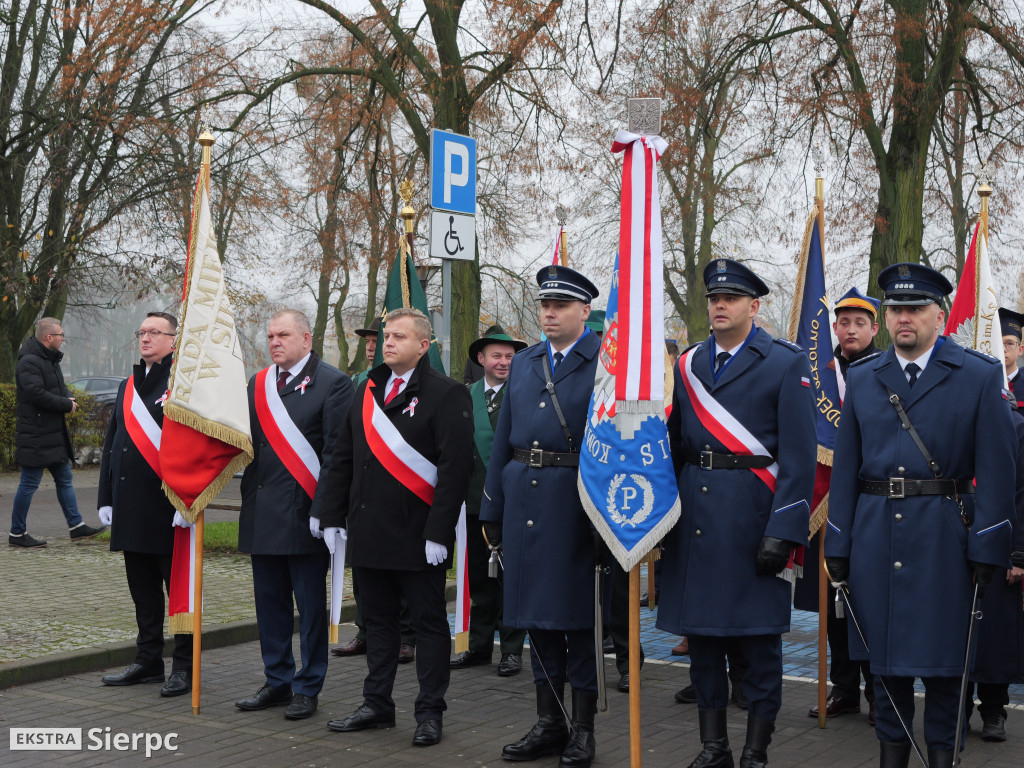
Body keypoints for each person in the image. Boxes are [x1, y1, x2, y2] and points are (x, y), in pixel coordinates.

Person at [825, 263, 1015, 768]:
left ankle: (941, 757)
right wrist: (837, 544)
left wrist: (990, 545)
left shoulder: (977, 374)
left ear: (941, 315)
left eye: (915, 309)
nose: (904, 318)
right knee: (884, 671)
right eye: (896, 310)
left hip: (945, 540)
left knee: (947, 670)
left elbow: (997, 470)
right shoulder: (865, 377)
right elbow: (845, 470)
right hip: (874, 537)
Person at [658, 258, 817, 768]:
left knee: (759, 647)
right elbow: (676, 444)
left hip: (755, 521)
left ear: (754, 305)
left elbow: (799, 457)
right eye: (713, 298)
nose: (719, 306)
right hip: (698, 521)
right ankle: (714, 748)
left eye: (730, 298)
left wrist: (785, 530)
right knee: (702, 644)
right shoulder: (688, 364)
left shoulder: (785, 362)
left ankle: (755, 751)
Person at [316, 307, 473, 748]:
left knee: (427, 626)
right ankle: (377, 704)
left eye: (400, 337)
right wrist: (331, 516)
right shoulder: (365, 389)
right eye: (387, 335)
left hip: (419, 538)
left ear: (423, 346)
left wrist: (439, 533)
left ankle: (429, 712)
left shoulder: (447, 393)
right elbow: (341, 456)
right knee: (378, 625)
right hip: (368, 532)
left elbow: (455, 469)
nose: (388, 342)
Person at [480, 264, 603, 768]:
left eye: (561, 306)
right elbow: (505, 437)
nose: (549, 313)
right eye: (544, 306)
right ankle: (549, 722)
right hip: (524, 499)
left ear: (585, 312)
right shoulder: (528, 362)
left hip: (577, 501)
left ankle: (584, 729)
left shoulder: (605, 362)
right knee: (536, 619)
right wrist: (492, 503)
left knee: (577, 621)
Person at [234, 309, 354, 721]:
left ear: (306, 338)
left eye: (283, 335)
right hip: (263, 510)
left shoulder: (333, 383)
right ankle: (277, 680)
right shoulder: (259, 383)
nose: (274, 342)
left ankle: (308, 685)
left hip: (305, 514)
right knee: (269, 606)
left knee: (309, 608)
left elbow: (337, 454)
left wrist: (327, 512)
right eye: (270, 336)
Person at [98, 312, 190, 696]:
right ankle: (148, 660)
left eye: (155, 332)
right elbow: (111, 443)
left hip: (169, 508)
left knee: (179, 594)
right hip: (131, 506)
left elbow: (194, 447)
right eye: (142, 332)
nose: (146, 337)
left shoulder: (184, 383)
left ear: (174, 340)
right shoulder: (128, 385)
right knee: (144, 592)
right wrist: (106, 497)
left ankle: (184, 667)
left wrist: (187, 499)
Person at [803, 287, 880, 725]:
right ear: (834, 328)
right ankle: (844, 689)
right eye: (843, 322)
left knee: (866, 605)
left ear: (873, 328)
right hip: (826, 504)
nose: (850, 329)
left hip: (870, 504)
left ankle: (878, 692)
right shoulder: (818, 373)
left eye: (859, 323)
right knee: (832, 606)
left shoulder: (887, 370)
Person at [332, 314, 416, 664]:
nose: (373, 347)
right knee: (364, 567)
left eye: (377, 340)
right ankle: (366, 630)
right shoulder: (361, 382)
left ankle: (407, 635)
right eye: (370, 342)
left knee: (403, 571)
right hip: (364, 488)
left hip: (402, 488)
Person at [449, 325, 528, 676]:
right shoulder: (463, 396)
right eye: (496, 355)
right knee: (478, 581)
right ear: (481, 359)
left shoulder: (525, 394)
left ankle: (512, 650)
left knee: (511, 580)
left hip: (512, 503)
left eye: (510, 356)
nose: (503, 362)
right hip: (473, 503)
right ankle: (479, 647)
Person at [964, 307, 1024, 741]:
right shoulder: (958, 411)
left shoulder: (1017, 420)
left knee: (998, 631)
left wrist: (1018, 550)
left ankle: (995, 710)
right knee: (958, 628)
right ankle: (957, 705)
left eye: (1007, 344)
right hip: (958, 533)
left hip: (1003, 536)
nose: (999, 352)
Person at [9, 317, 105, 548]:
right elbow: (35, 393)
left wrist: (69, 395)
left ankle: (76, 526)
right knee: (29, 483)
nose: (63, 339)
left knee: (64, 479)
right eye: (61, 335)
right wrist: (64, 403)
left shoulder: (49, 360)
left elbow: (57, 388)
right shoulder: (30, 362)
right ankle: (16, 533)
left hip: (51, 435)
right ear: (48, 337)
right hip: (36, 436)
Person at [1002, 307, 1024, 408]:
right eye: (998, 343)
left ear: (1020, 349)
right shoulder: (982, 385)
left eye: (1010, 343)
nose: (1003, 349)